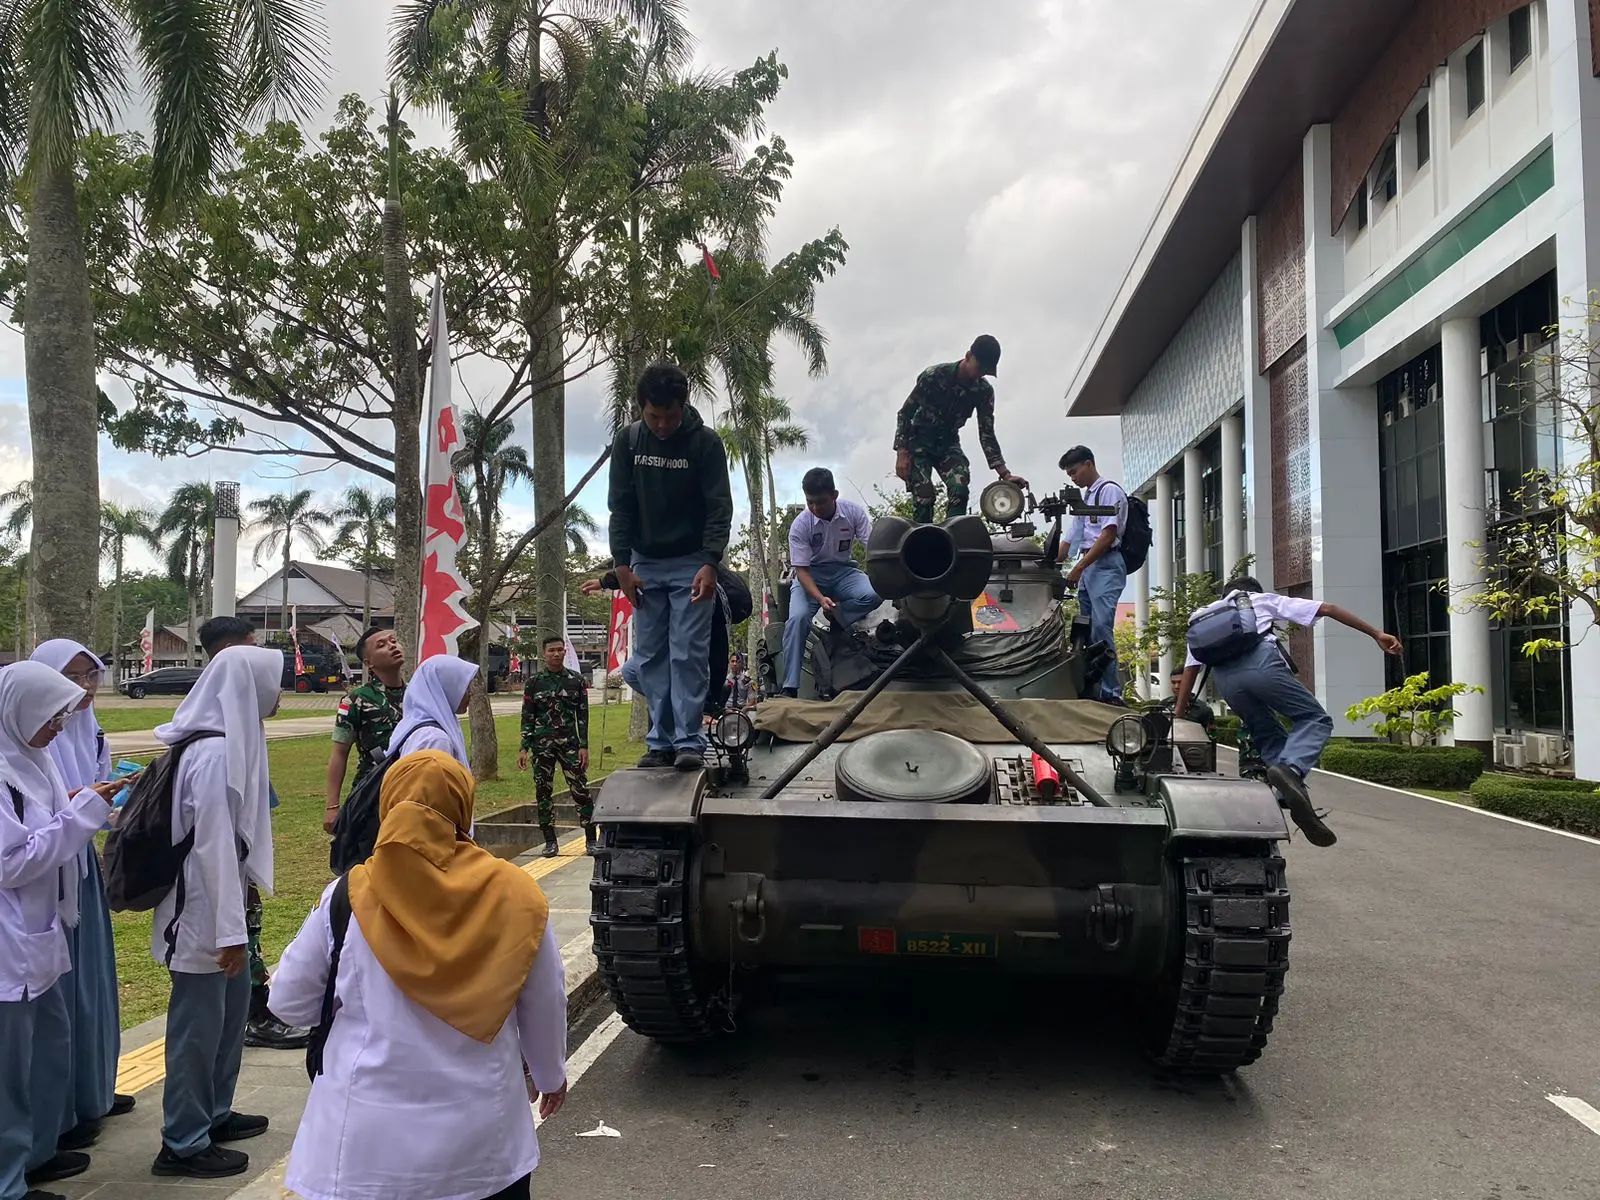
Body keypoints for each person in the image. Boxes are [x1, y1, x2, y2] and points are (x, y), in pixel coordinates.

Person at [269, 751, 566, 1200]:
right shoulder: (516, 895)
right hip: (482, 1149)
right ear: (462, 809)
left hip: (363, 1152)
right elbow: (544, 1001)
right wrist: (549, 1076)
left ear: (388, 805)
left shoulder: (347, 895)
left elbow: (288, 1002)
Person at [149, 644, 283, 1180]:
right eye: (270, 685)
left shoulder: (232, 744)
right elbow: (211, 851)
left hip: (226, 912)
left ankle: (214, 1113)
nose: (276, 696)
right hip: (204, 917)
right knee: (197, 1031)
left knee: (227, 1023)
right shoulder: (211, 754)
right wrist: (229, 932)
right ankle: (182, 1141)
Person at [0, 663, 121, 1200]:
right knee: (9, 1072)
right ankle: (8, 1182)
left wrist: (80, 801)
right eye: (51, 716)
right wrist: (83, 814)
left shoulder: (34, 760)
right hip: (10, 945)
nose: (59, 726)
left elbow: (49, 822)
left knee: (48, 1050)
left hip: (42, 932)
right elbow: (13, 861)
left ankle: (37, 1151)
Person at [1173, 575, 1402, 847]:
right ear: (1250, 592)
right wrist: (1376, 633)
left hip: (1226, 683)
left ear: (1224, 594)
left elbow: (1191, 669)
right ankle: (1291, 771)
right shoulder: (1260, 600)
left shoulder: (1203, 616)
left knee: (1267, 733)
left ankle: (1286, 796)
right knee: (1314, 719)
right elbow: (1328, 609)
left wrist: (1178, 714)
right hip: (1261, 666)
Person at [27, 642, 134, 1155]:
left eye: (91, 675)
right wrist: (82, 804)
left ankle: (93, 1089)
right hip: (51, 877)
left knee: (93, 981)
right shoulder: (31, 740)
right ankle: (63, 1106)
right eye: (73, 677)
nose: (85, 688)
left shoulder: (89, 728)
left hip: (81, 866)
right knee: (61, 994)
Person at [607, 362, 734, 771]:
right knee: (650, 656)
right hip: (644, 563)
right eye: (654, 416)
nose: (663, 424)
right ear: (641, 408)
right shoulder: (628, 443)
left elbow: (719, 507)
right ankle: (659, 741)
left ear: (684, 405)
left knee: (688, 653)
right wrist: (622, 565)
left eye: (671, 415)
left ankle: (688, 741)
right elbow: (620, 508)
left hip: (692, 563)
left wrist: (711, 561)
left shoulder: (706, 445)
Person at [197, 617, 307, 1053]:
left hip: (235, 877)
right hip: (218, 894)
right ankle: (255, 1016)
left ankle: (252, 1011)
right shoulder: (215, 746)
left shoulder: (241, 726)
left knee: (249, 924)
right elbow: (215, 842)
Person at [582, 560, 751, 718]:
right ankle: (677, 701)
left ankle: (698, 700)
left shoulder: (709, 598)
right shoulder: (666, 570)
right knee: (630, 670)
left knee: (694, 656)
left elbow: (717, 651)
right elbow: (640, 566)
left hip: (716, 606)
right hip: (681, 632)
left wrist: (711, 699)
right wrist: (605, 582)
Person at [893, 335, 1028, 523]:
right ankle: (923, 542)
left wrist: (1005, 474)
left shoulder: (983, 391)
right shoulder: (933, 376)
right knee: (925, 496)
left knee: (960, 487)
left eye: (985, 372)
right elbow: (905, 413)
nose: (980, 375)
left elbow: (986, 433)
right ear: (967, 356)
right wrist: (901, 452)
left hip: (948, 443)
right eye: (979, 368)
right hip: (918, 443)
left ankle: (954, 539)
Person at [780, 468, 881, 698]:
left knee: (876, 592)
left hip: (844, 573)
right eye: (810, 502)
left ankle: (839, 617)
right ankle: (789, 686)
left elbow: (874, 548)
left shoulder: (853, 513)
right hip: (810, 577)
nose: (815, 508)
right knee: (797, 619)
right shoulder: (800, 525)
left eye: (821, 502)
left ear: (834, 495)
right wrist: (819, 598)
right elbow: (801, 570)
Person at [1058, 446, 1129, 704]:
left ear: (1089, 464)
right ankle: (1091, 687)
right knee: (1084, 630)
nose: (1073, 478)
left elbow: (1108, 535)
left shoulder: (1109, 490)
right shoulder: (1084, 499)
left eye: (1074, 471)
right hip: (1088, 565)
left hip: (1106, 563)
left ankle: (1111, 693)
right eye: (1069, 474)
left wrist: (1078, 567)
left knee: (1101, 627)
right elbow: (1069, 541)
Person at [326, 627, 406, 834]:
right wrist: (332, 806)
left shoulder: (419, 694)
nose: (392, 646)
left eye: (393, 641)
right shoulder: (355, 700)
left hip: (413, 788)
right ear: (368, 663)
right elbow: (339, 753)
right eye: (382, 645)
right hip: (373, 791)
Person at [518, 636, 592, 859]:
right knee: (543, 792)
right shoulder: (534, 683)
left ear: (565, 652)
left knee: (580, 789)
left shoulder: (576, 681)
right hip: (543, 746)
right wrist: (524, 747)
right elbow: (527, 717)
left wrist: (584, 745)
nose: (556, 654)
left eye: (560, 650)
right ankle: (550, 841)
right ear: (544, 654)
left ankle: (591, 838)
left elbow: (583, 715)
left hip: (570, 744)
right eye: (551, 650)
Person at [385, 655, 477, 766]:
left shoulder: (413, 722)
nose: (470, 693)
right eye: (465, 687)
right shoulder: (435, 739)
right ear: (446, 688)